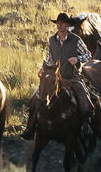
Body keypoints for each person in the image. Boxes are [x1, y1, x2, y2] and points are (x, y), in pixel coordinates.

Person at [20, 12, 94, 140]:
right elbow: (49, 59)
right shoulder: (51, 40)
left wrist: (77, 59)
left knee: (84, 99)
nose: (59, 26)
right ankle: (30, 127)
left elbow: (88, 55)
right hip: (54, 78)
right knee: (34, 99)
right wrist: (42, 69)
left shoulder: (76, 40)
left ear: (67, 25)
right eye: (58, 23)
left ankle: (86, 126)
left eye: (62, 23)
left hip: (72, 77)